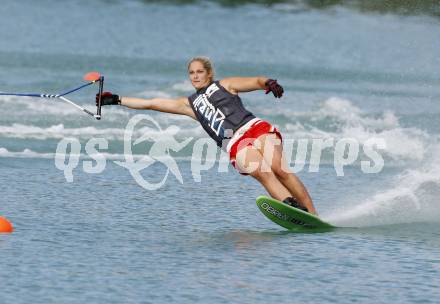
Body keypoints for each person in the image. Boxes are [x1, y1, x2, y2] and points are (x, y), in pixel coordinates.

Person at [98, 57, 317, 215]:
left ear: (208, 73)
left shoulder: (225, 84)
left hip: (253, 127)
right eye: (191, 73)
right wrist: (116, 99)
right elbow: (151, 103)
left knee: (279, 168)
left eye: (199, 72)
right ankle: (292, 207)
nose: (195, 76)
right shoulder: (189, 104)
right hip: (234, 143)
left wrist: (269, 83)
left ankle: (313, 214)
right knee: (263, 173)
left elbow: (255, 81)